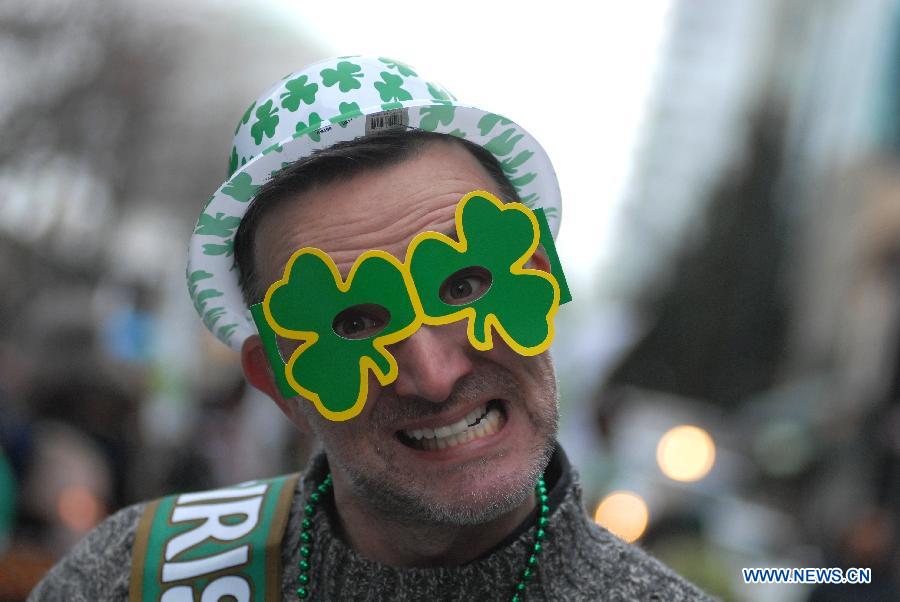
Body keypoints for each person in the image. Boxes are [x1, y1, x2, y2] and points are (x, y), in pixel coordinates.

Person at [30, 56, 711, 601]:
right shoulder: (131, 580)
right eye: (353, 322)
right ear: (281, 385)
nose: (434, 374)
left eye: (464, 285)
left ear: (537, 276)